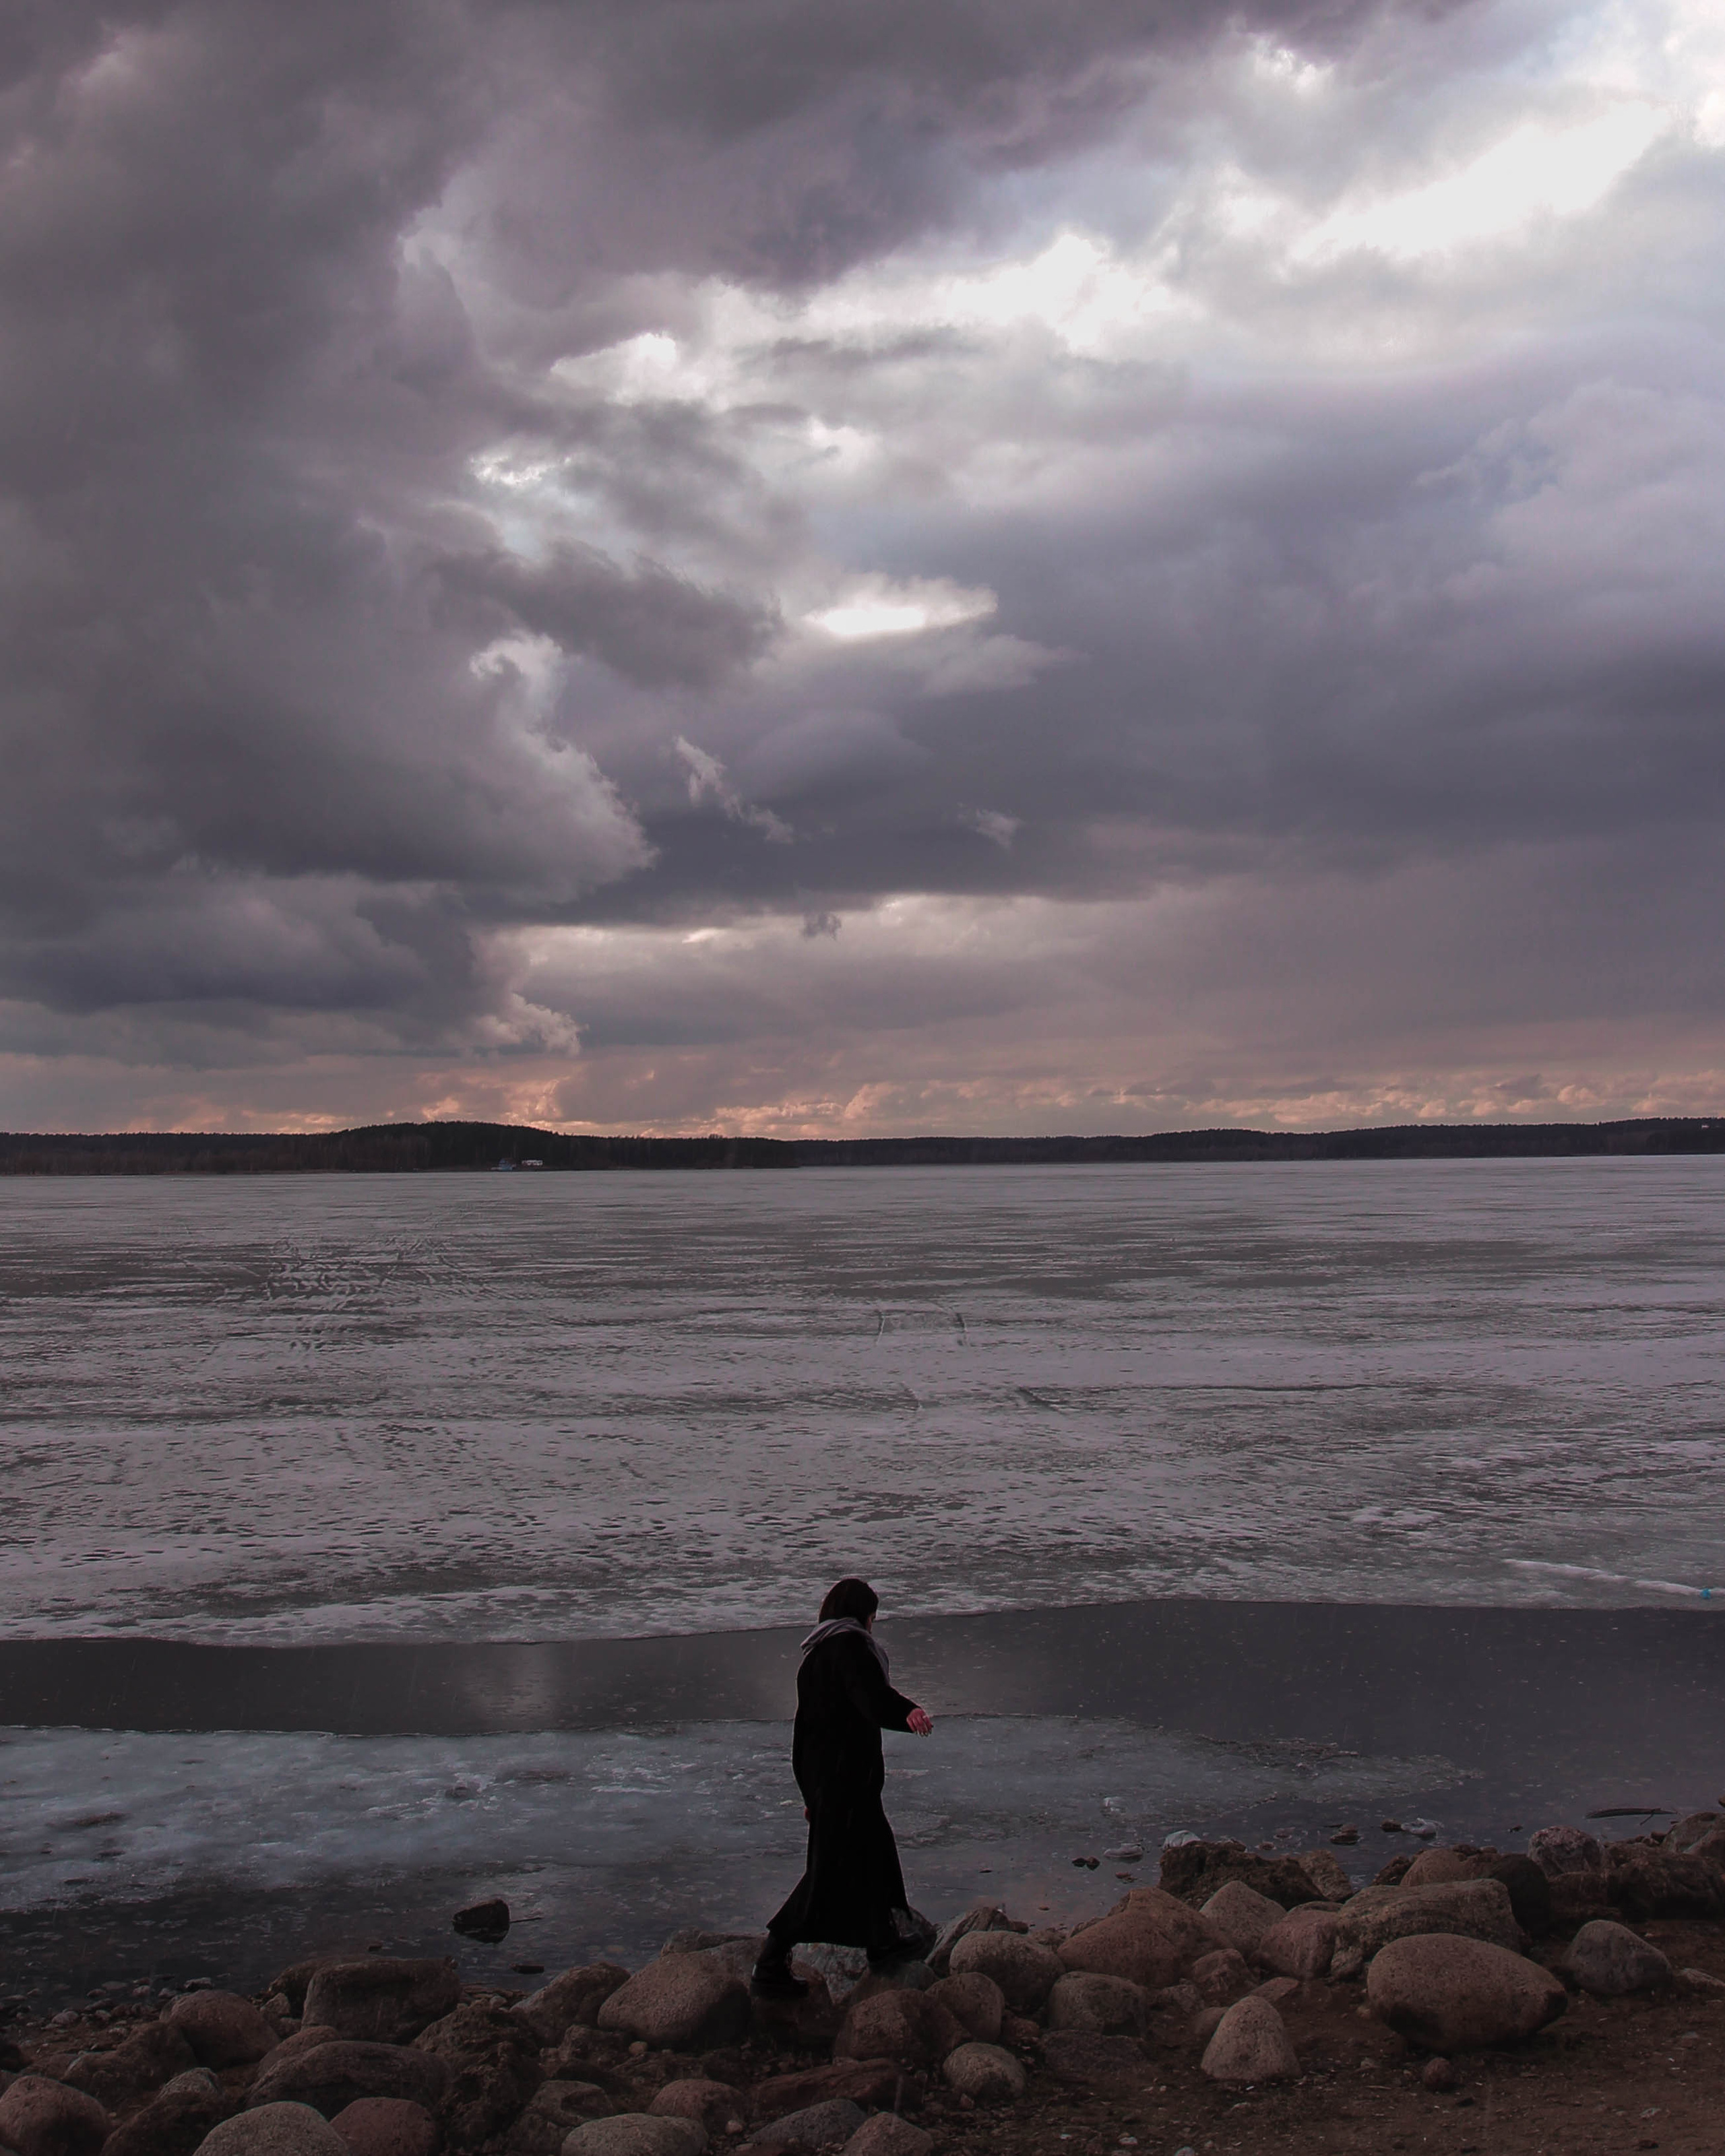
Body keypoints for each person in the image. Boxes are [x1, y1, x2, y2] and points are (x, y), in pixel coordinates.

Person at [751, 1577, 935, 1997]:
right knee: (828, 1872)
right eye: (873, 1616)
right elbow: (868, 1695)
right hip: (845, 1781)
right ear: (860, 1614)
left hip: (829, 1781)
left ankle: (882, 1942)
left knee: (871, 1856)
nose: (873, 1625)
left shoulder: (814, 1656)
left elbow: (805, 1731)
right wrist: (907, 1711)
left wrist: (809, 1793)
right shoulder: (849, 1647)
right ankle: (770, 1965)